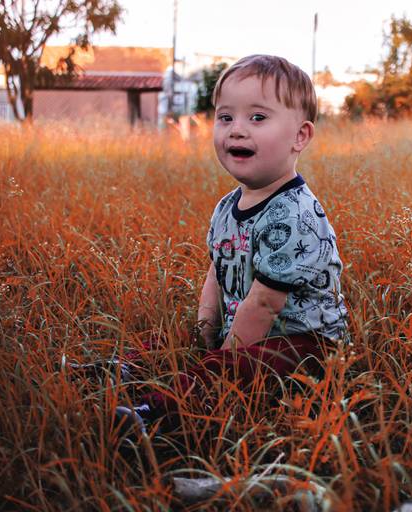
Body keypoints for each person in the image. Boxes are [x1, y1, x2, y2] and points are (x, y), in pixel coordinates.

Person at [114, 54, 349, 439]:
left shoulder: (294, 213)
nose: (236, 130)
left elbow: (264, 304)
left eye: (257, 118)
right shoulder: (227, 207)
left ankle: (156, 416)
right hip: (244, 329)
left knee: (228, 370)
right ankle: (121, 369)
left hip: (304, 345)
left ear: (299, 136)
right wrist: (205, 330)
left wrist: (221, 356)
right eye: (225, 117)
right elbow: (218, 271)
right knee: (173, 337)